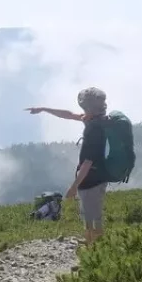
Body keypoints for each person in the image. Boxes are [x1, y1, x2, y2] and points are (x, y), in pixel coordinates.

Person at [27, 87, 110, 245]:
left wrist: (73, 187)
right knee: (90, 212)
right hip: (99, 174)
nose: (82, 111)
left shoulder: (94, 130)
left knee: (92, 214)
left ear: (89, 107)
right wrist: (44, 109)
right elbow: (69, 115)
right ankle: (91, 241)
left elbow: (87, 163)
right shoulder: (97, 119)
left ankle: (95, 247)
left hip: (92, 177)